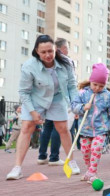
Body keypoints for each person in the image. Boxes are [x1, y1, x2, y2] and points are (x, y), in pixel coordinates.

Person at [6, 35, 80, 180]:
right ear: (37, 52)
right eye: (43, 52)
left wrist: (75, 105)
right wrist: (33, 112)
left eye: (50, 51)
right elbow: (24, 92)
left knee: (63, 128)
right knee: (27, 126)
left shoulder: (66, 63)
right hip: (35, 99)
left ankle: (71, 162)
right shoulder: (29, 66)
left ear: (55, 50)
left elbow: (72, 86)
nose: (47, 55)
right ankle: (17, 168)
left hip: (57, 98)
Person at [38, 38, 75, 166]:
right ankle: (54, 157)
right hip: (58, 98)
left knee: (47, 127)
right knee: (59, 127)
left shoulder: (47, 61)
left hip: (45, 98)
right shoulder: (66, 61)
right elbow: (71, 83)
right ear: (63, 48)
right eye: (68, 47)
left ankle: (42, 156)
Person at [71, 63, 110, 183]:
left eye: (101, 85)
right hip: (85, 129)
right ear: (90, 80)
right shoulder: (83, 93)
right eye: (95, 84)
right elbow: (73, 106)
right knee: (85, 151)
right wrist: (83, 107)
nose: (97, 88)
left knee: (96, 148)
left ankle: (93, 172)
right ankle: (89, 171)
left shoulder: (107, 96)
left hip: (100, 129)